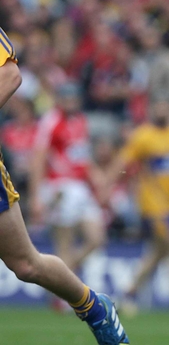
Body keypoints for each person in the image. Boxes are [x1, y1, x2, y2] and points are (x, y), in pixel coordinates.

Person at [0, 26, 130, 344]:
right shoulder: (55, 122)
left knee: (26, 264)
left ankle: (94, 308)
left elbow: (9, 75)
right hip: (60, 189)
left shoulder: (73, 122)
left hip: (69, 190)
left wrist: (98, 183)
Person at [102, 97, 169, 320]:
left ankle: (128, 294)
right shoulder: (143, 136)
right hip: (153, 203)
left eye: (164, 106)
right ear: (151, 111)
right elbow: (123, 162)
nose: (161, 110)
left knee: (158, 253)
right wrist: (107, 186)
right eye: (157, 106)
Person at [28, 81, 107, 312]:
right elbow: (39, 157)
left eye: (74, 98)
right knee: (65, 243)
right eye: (67, 98)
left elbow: (81, 156)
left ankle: (57, 282)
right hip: (59, 187)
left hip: (81, 187)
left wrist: (97, 178)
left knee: (97, 238)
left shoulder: (80, 121)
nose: (71, 102)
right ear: (60, 99)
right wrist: (36, 196)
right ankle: (64, 298)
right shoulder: (51, 121)